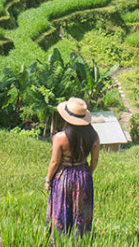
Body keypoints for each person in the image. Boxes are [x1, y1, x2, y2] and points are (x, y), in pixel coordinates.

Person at [45, 97, 100, 237]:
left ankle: (60, 240)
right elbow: (95, 160)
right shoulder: (93, 136)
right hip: (83, 174)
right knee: (82, 211)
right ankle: (80, 240)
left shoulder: (60, 137)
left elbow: (54, 162)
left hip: (63, 175)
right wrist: (88, 173)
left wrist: (48, 179)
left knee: (60, 209)